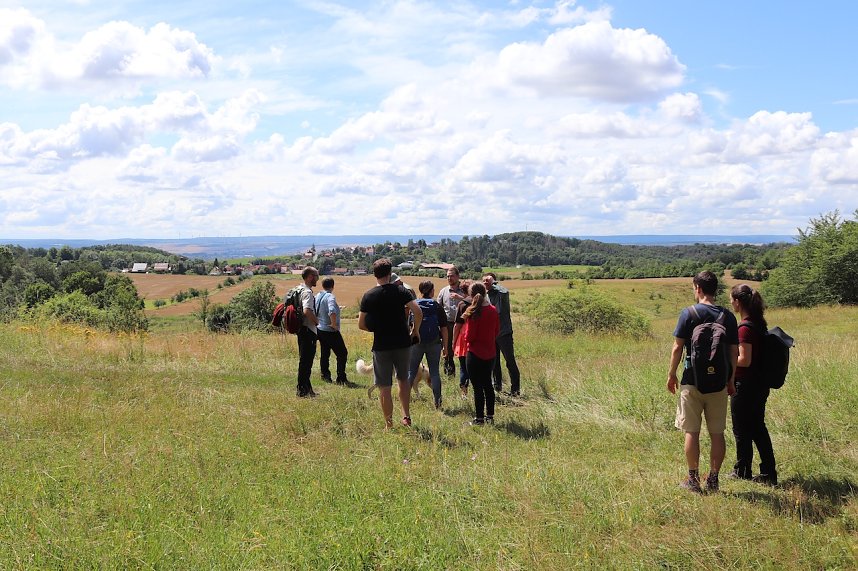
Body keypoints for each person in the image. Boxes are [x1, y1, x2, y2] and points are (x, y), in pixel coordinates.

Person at [667, 270, 739, 493]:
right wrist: (731, 380)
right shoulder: (728, 317)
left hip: (692, 380)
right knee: (717, 433)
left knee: (692, 432)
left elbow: (678, 347)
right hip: (718, 383)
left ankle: (693, 480)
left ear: (697, 288)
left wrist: (671, 374)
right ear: (715, 290)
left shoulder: (688, 314)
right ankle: (714, 480)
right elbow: (733, 352)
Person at [359, 258, 423, 429]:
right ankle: (406, 417)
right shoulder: (401, 291)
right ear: (389, 274)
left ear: (375, 275)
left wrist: (374, 329)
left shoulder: (368, 295)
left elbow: (361, 324)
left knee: (384, 387)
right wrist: (415, 331)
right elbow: (417, 311)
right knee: (403, 380)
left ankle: (389, 424)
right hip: (403, 343)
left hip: (381, 346)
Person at [729, 284, 778, 485]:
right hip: (759, 384)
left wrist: (727, 359)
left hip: (745, 385)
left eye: (732, 299)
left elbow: (745, 359)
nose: (731, 303)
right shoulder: (758, 323)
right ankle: (768, 473)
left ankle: (742, 471)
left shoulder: (744, 329)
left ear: (738, 302)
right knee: (757, 428)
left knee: (741, 429)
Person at [462, 282, 500, 425]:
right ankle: (490, 416)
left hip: (475, 354)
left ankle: (479, 419)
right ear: (485, 293)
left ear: (471, 296)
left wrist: (465, 334)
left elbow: (469, 337)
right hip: (490, 353)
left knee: (477, 387)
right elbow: (497, 331)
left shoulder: (473, 312)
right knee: (488, 385)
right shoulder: (493, 310)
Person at [409, 280, 448, 409]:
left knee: (411, 371)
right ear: (431, 291)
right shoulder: (436, 306)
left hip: (416, 342)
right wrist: (446, 347)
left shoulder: (414, 305)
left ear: (420, 291)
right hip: (434, 343)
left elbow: (409, 326)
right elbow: (444, 328)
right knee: (435, 373)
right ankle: (438, 403)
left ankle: (405, 398)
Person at [483, 273, 521, 396]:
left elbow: (505, 291)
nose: (485, 283)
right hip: (492, 334)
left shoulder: (501, 293)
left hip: (504, 333)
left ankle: (515, 389)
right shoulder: (486, 296)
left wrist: (494, 283)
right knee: (494, 362)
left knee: (510, 361)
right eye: (484, 281)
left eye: (488, 280)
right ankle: (497, 387)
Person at [316, 277, 349, 385]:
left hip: (320, 329)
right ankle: (341, 378)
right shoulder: (330, 296)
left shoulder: (318, 295)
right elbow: (331, 311)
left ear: (323, 285)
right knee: (342, 353)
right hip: (330, 330)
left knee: (325, 353)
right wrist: (334, 325)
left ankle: (325, 376)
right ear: (333, 286)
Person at [295, 266, 320, 398]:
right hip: (308, 330)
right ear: (310, 277)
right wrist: (316, 322)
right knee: (306, 362)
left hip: (301, 330)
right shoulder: (307, 293)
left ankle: (307, 389)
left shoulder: (299, 289)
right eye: (316, 276)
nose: (317, 279)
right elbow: (307, 310)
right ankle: (302, 391)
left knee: (304, 360)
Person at [437, 266, 466, 377]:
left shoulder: (464, 290)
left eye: (452, 276)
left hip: (463, 325)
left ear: (458, 276)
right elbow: (438, 308)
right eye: (448, 276)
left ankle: (466, 374)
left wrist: (460, 297)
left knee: (464, 350)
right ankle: (450, 373)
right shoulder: (443, 291)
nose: (449, 278)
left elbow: (471, 302)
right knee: (448, 349)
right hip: (448, 325)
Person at [452, 280, 473, 396]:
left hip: (464, 338)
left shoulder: (462, 304)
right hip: (476, 337)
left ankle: (464, 393)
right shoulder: (479, 302)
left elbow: (457, 326)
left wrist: (453, 342)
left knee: (463, 368)